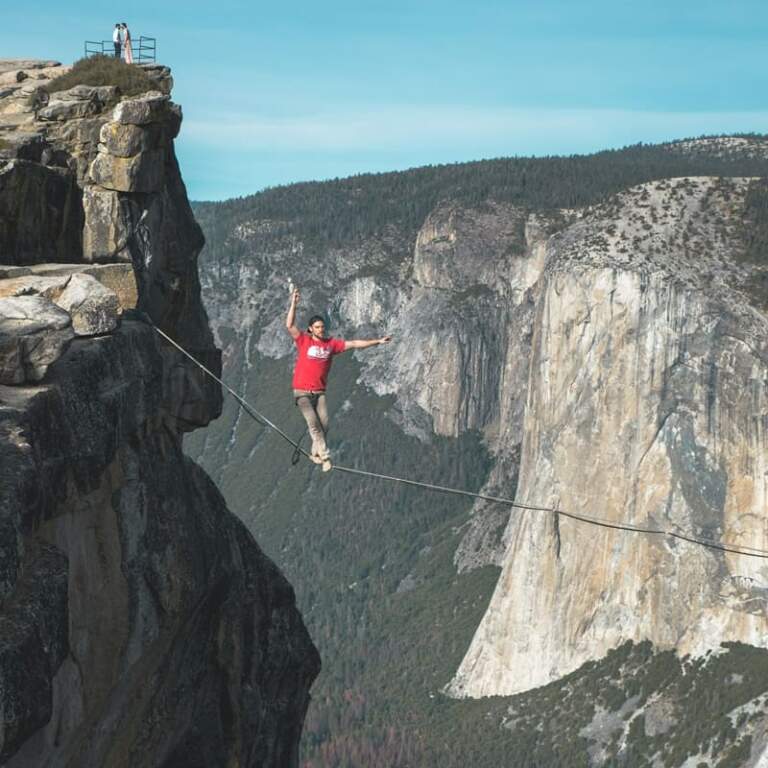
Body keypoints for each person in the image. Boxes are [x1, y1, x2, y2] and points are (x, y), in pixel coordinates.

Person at [285, 288, 391, 470]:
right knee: (313, 424)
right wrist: (294, 302)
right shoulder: (304, 341)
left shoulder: (331, 345)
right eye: (317, 327)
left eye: (322, 326)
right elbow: (289, 325)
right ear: (310, 329)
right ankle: (325, 458)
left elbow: (355, 343)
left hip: (319, 392)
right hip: (302, 391)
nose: (321, 329)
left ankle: (315, 452)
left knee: (324, 425)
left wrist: (377, 341)